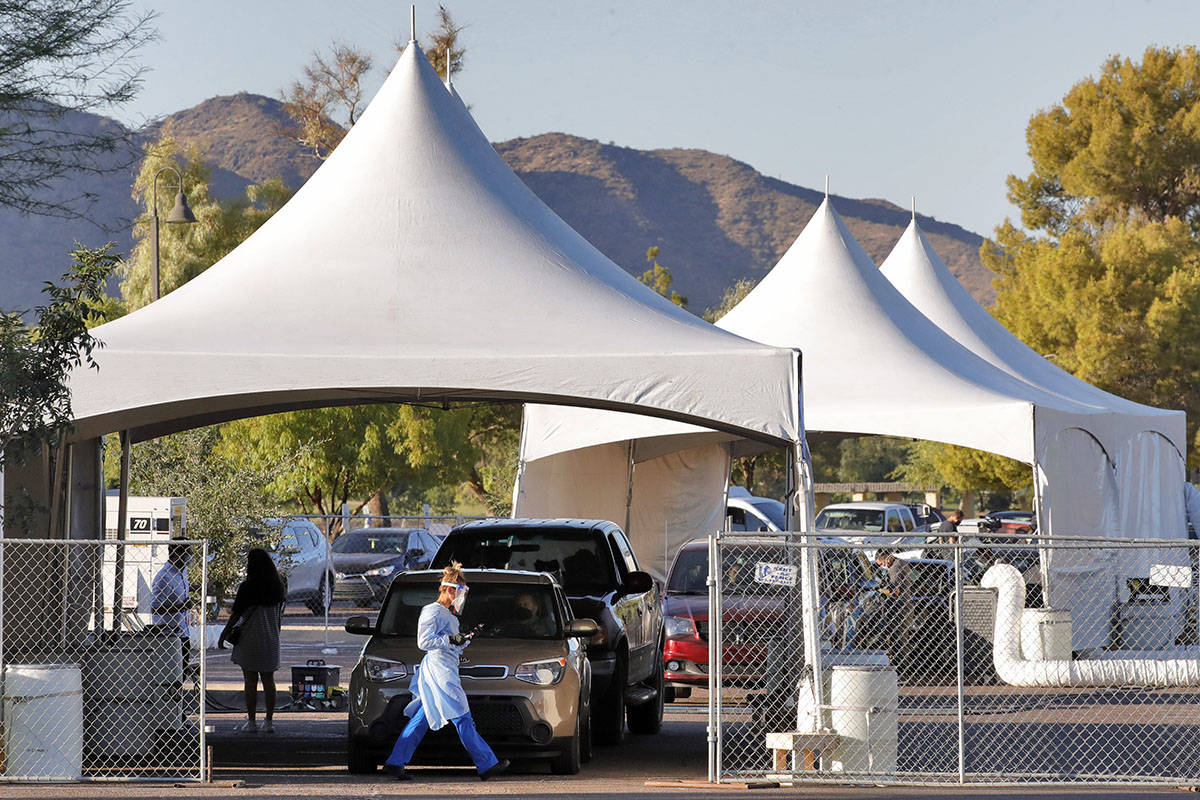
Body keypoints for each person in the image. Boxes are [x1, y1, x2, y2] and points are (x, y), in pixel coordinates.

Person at [384, 562, 510, 782]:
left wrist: (464, 638)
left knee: (423, 717)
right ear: (450, 589)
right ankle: (487, 763)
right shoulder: (432, 611)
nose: (462, 597)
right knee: (463, 717)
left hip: (444, 667)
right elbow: (424, 641)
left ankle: (395, 761)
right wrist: (450, 639)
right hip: (440, 672)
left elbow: (450, 643)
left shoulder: (448, 615)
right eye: (460, 591)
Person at [218, 548, 285, 734]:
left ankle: (252, 721)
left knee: (250, 681)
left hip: (250, 639)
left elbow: (236, 614)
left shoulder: (247, 588)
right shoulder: (277, 587)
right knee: (269, 679)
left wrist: (224, 634)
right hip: (271, 638)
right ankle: (269, 720)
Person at [151, 543, 192, 668]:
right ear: (176, 554)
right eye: (187, 553)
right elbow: (155, 608)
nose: (190, 556)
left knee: (183, 670)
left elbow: (179, 589)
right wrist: (181, 607)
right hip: (169, 635)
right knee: (173, 672)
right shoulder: (164, 577)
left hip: (183, 631)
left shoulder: (182, 571)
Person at [874, 549, 914, 668]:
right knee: (902, 638)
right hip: (906, 605)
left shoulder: (895, 567)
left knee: (899, 639)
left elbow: (895, 591)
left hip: (900, 608)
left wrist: (879, 589)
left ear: (886, 557)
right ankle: (903, 664)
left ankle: (900, 666)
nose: (883, 566)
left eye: (882, 563)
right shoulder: (902, 563)